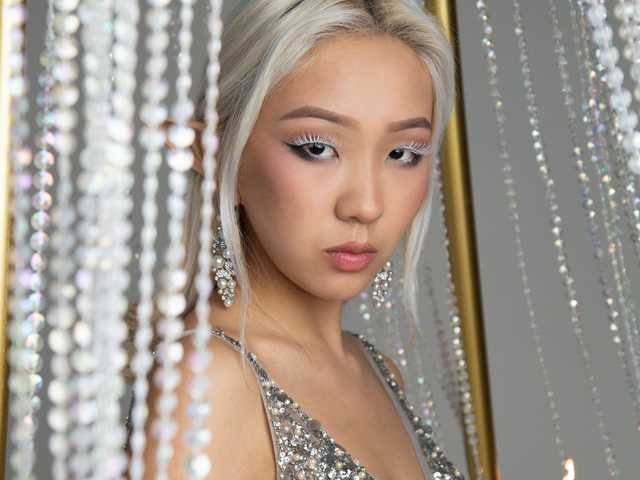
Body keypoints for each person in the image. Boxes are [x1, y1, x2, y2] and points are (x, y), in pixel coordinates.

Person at [127, 0, 462, 478]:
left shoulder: (377, 370)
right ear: (219, 157)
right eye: (317, 148)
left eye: (402, 153)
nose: (366, 205)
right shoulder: (206, 383)